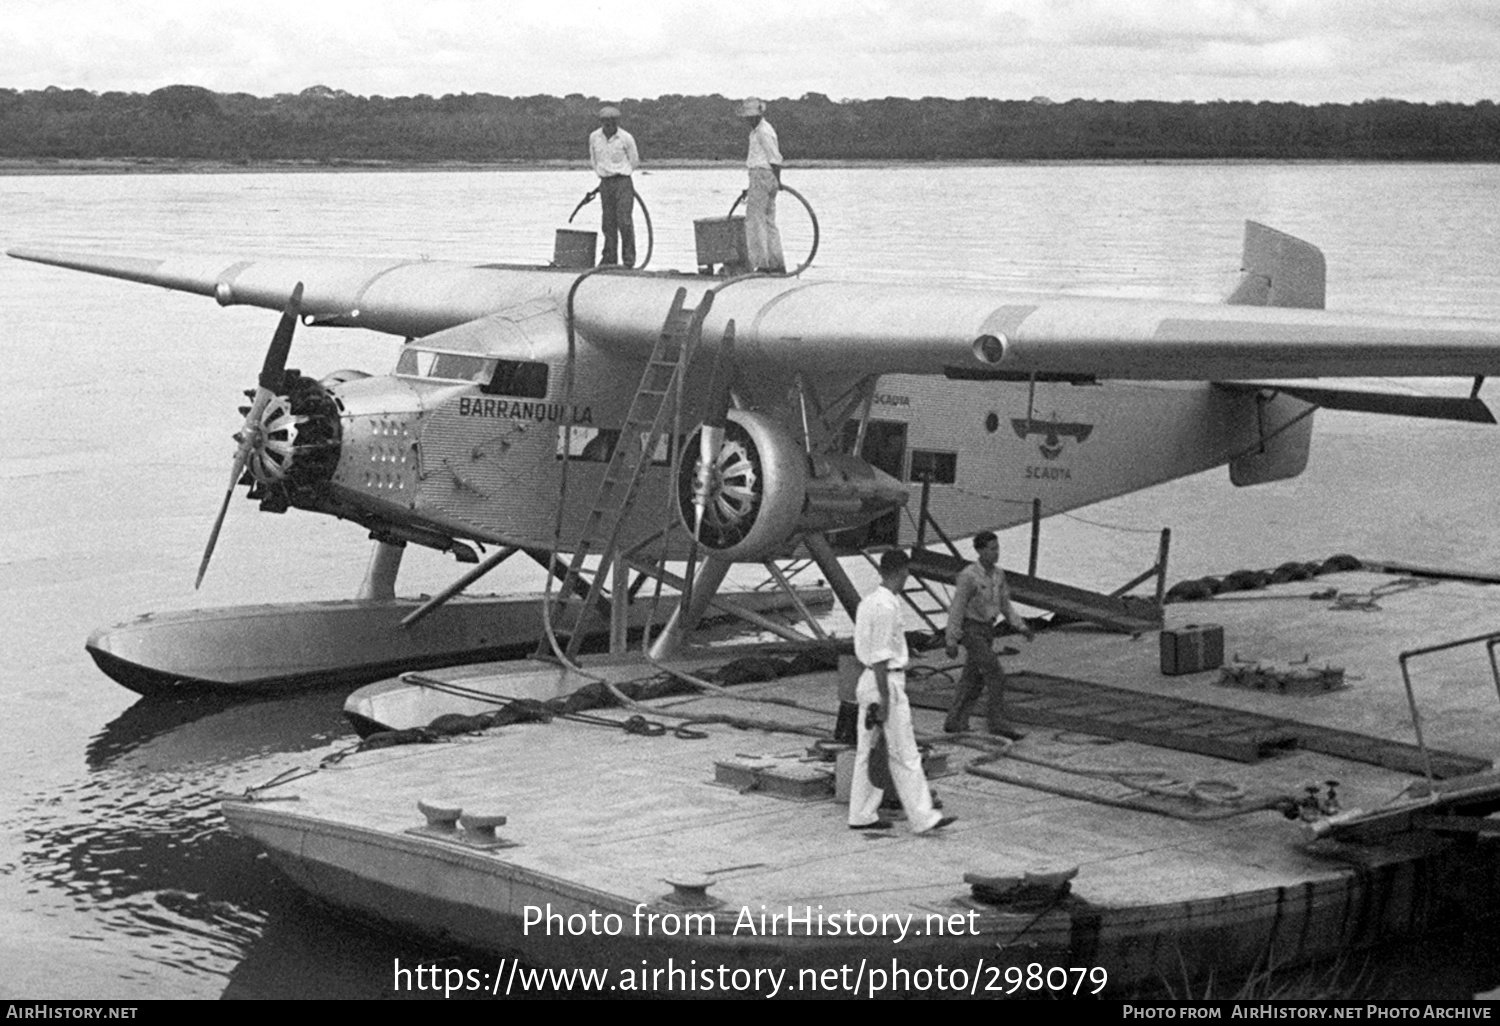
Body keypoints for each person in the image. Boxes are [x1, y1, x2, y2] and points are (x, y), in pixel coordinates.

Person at [849, 549, 957, 834]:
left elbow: (869, 649)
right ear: (902, 571)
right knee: (905, 753)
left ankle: (861, 814)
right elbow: (881, 656)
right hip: (886, 683)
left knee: (866, 750)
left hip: (868, 681)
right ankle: (924, 818)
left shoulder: (868, 602)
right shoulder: (887, 606)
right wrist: (885, 699)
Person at [944, 531, 1035, 740]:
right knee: (995, 673)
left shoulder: (998, 575)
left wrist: (1021, 626)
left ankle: (955, 721)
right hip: (972, 630)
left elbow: (1005, 605)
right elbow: (957, 609)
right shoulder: (968, 576)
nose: (996, 553)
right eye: (992, 549)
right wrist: (951, 639)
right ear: (980, 550)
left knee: (972, 678)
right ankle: (997, 723)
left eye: (997, 548)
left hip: (987, 630)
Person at [738, 97, 786, 273]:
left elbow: (774, 158)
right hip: (764, 176)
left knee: (755, 221)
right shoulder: (760, 130)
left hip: (763, 175)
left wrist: (776, 180)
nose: (748, 120)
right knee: (768, 221)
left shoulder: (762, 132)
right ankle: (776, 264)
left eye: (750, 117)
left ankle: (762, 265)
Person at [588, 105, 639, 266]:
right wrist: (603, 175)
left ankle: (628, 259)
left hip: (623, 182)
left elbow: (634, 160)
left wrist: (622, 174)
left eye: (612, 121)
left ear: (617, 122)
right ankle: (609, 258)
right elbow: (593, 159)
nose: (609, 124)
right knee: (608, 222)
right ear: (601, 122)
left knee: (624, 221)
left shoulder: (626, 138)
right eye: (605, 121)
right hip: (605, 182)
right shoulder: (594, 137)